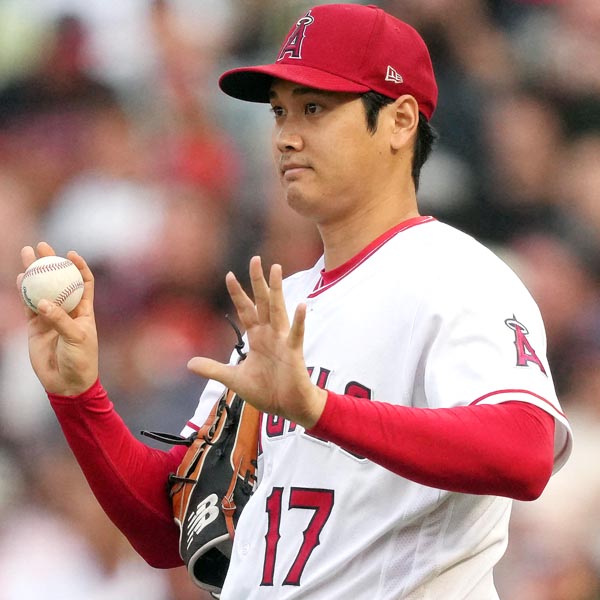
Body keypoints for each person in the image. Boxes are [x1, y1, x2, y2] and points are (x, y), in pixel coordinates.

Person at [18, 4, 572, 599]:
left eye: (314, 108)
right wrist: (79, 396)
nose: (285, 136)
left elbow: (524, 452)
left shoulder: (456, 273)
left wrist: (319, 409)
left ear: (400, 120)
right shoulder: (285, 303)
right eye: (280, 111)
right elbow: (169, 528)